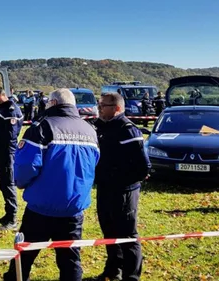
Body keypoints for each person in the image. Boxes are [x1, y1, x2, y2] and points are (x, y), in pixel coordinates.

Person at [2, 88, 100, 281]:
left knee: (24, 256)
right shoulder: (90, 131)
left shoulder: (42, 127)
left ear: (53, 103)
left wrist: (20, 183)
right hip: (74, 208)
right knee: (70, 260)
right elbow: (94, 163)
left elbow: (25, 165)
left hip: (41, 208)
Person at [93, 93, 151, 281]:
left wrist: (121, 182)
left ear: (117, 108)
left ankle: (131, 275)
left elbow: (143, 167)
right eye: (99, 104)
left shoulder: (127, 129)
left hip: (124, 191)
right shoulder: (99, 126)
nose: (100, 108)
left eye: (104, 105)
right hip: (104, 189)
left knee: (127, 235)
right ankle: (113, 270)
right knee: (109, 232)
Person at [0, 85, 23, 231]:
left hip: (8, 152)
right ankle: (8, 214)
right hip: (3, 151)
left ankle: (12, 218)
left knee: (8, 183)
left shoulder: (10, 110)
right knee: (3, 183)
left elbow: (9, 135)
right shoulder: (4, 109)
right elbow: (3, 127)